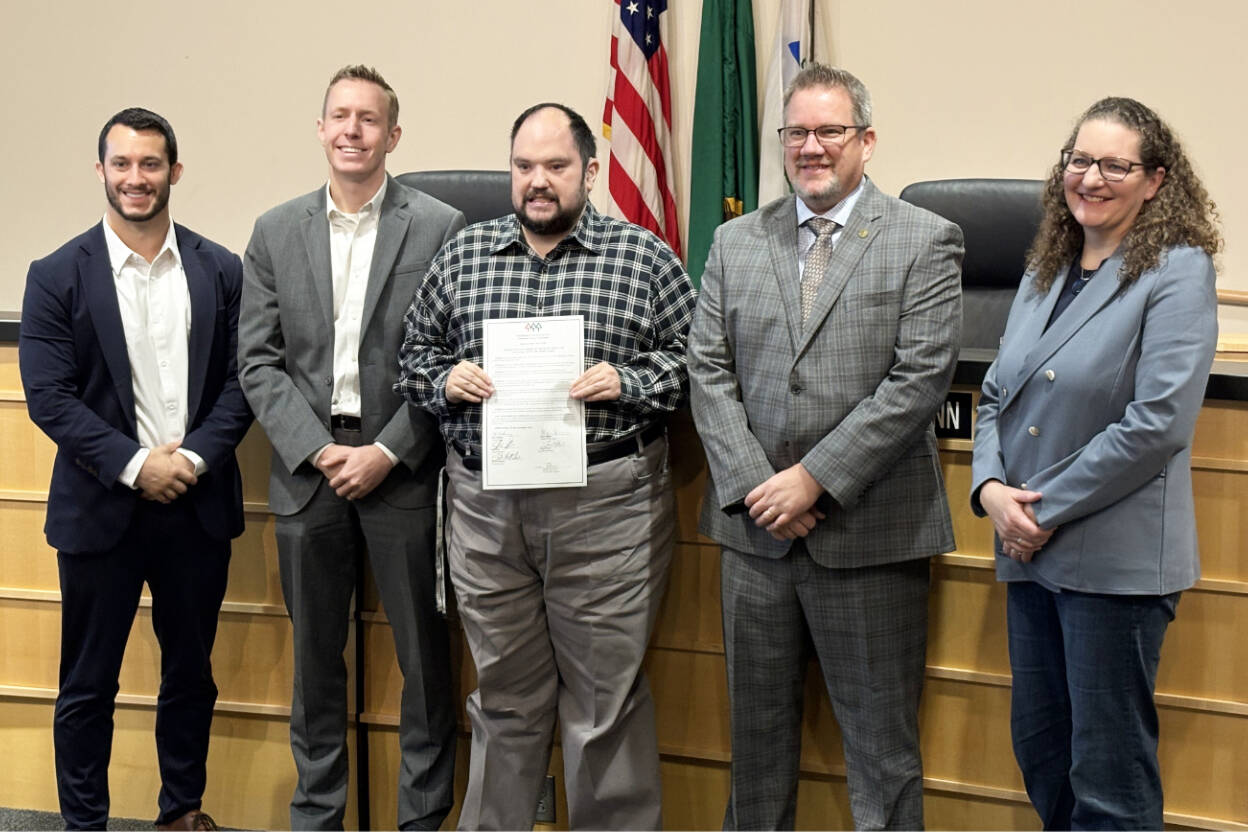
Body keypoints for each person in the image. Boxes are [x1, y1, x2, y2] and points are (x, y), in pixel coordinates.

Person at [396, 102, 697, 830]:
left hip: (606, 505)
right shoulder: (464, 256)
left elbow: (698, 362)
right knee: (502, 698)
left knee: (602, 704)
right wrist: (445, 380)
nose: (538, 181)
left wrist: (630, 380)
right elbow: (413, 357)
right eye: (524, 166)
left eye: (556, 166)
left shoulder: (644, 258)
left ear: (589, 173)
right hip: (486, 507)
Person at [688, 63, 964, 830]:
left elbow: (918, 381)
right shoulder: (735, 241)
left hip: (871, 538)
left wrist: (812, 479)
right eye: (797, 133)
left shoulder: (924, 240)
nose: (811, 147)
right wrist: (759, 486)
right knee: (755, 757)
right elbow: (706, 370)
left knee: (882, 762)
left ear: (866, 141)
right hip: (756, 541)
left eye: (830, 131)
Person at [970, 96, 1220, 830]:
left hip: (1114, 565)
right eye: (1080, 160)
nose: (1091, 177)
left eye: (1116, 165)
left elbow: (1158, 423)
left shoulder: (1178, 271)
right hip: (1029, 553)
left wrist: (1035, 509)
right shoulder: (1046, 267)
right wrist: (989, 489)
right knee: (1043, 755)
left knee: (1109, 781)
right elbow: (995, 394)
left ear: (1156, 180)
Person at [237, 65, 463, 830]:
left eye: (368, 119)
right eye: (340, 115)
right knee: (314, 670)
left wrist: (388, 451)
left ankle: (421, 822)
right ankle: (318, 819)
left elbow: (452, 359)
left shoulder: (439, 227)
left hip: (404, 471)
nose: (352, 130)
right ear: (321, 128)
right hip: (310, 475)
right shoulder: (274, 231)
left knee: (426, 668)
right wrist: (317, 449)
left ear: (393, 136)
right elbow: (258, 362)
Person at [19, 107, 252, 831]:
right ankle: (84, 824)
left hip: (196, 505)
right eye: (121, 164)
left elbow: (244, 382)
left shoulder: (221, 270)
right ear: (101, 172)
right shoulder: (55, 275)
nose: (136, 177)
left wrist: (190, 459)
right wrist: (133, 464)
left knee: (191, 677)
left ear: (174, 171)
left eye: (150, 163)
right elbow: (50, 398)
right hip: (100, 511)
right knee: (87, 685)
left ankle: (181, 811)